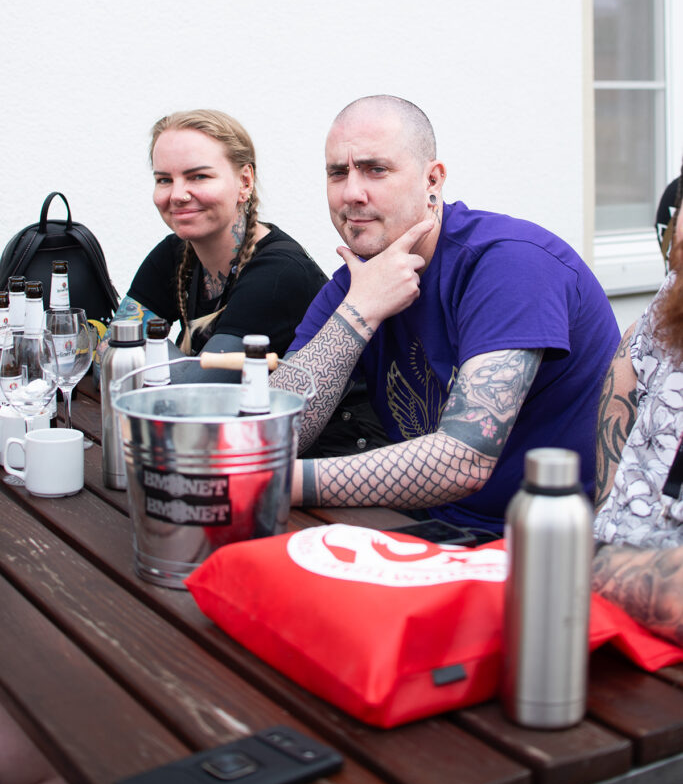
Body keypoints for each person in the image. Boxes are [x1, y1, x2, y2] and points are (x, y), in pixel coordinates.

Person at [271, 94, 620, 531]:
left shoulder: (511, 264)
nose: (351, 193)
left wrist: (278, 482)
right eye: (337, 172)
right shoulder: (357, 286)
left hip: (553, 541)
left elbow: (465, 458)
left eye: (376, 169)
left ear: (432, 179)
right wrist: (358, 312)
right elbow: (272, 434)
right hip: (437, 529)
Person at [95, 108, 328, 380]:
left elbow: (198, 394)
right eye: (164, 180)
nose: (177, 195)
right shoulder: (175, 252)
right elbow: (106, 362)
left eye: (198, 176)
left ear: (245, 181)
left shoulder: (279, 272)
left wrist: (146, 351)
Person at [592, 171, 683, 648]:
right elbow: (631, 360)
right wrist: (607, 512)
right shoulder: (675, 293)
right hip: (614, 615)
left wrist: (579, 562)